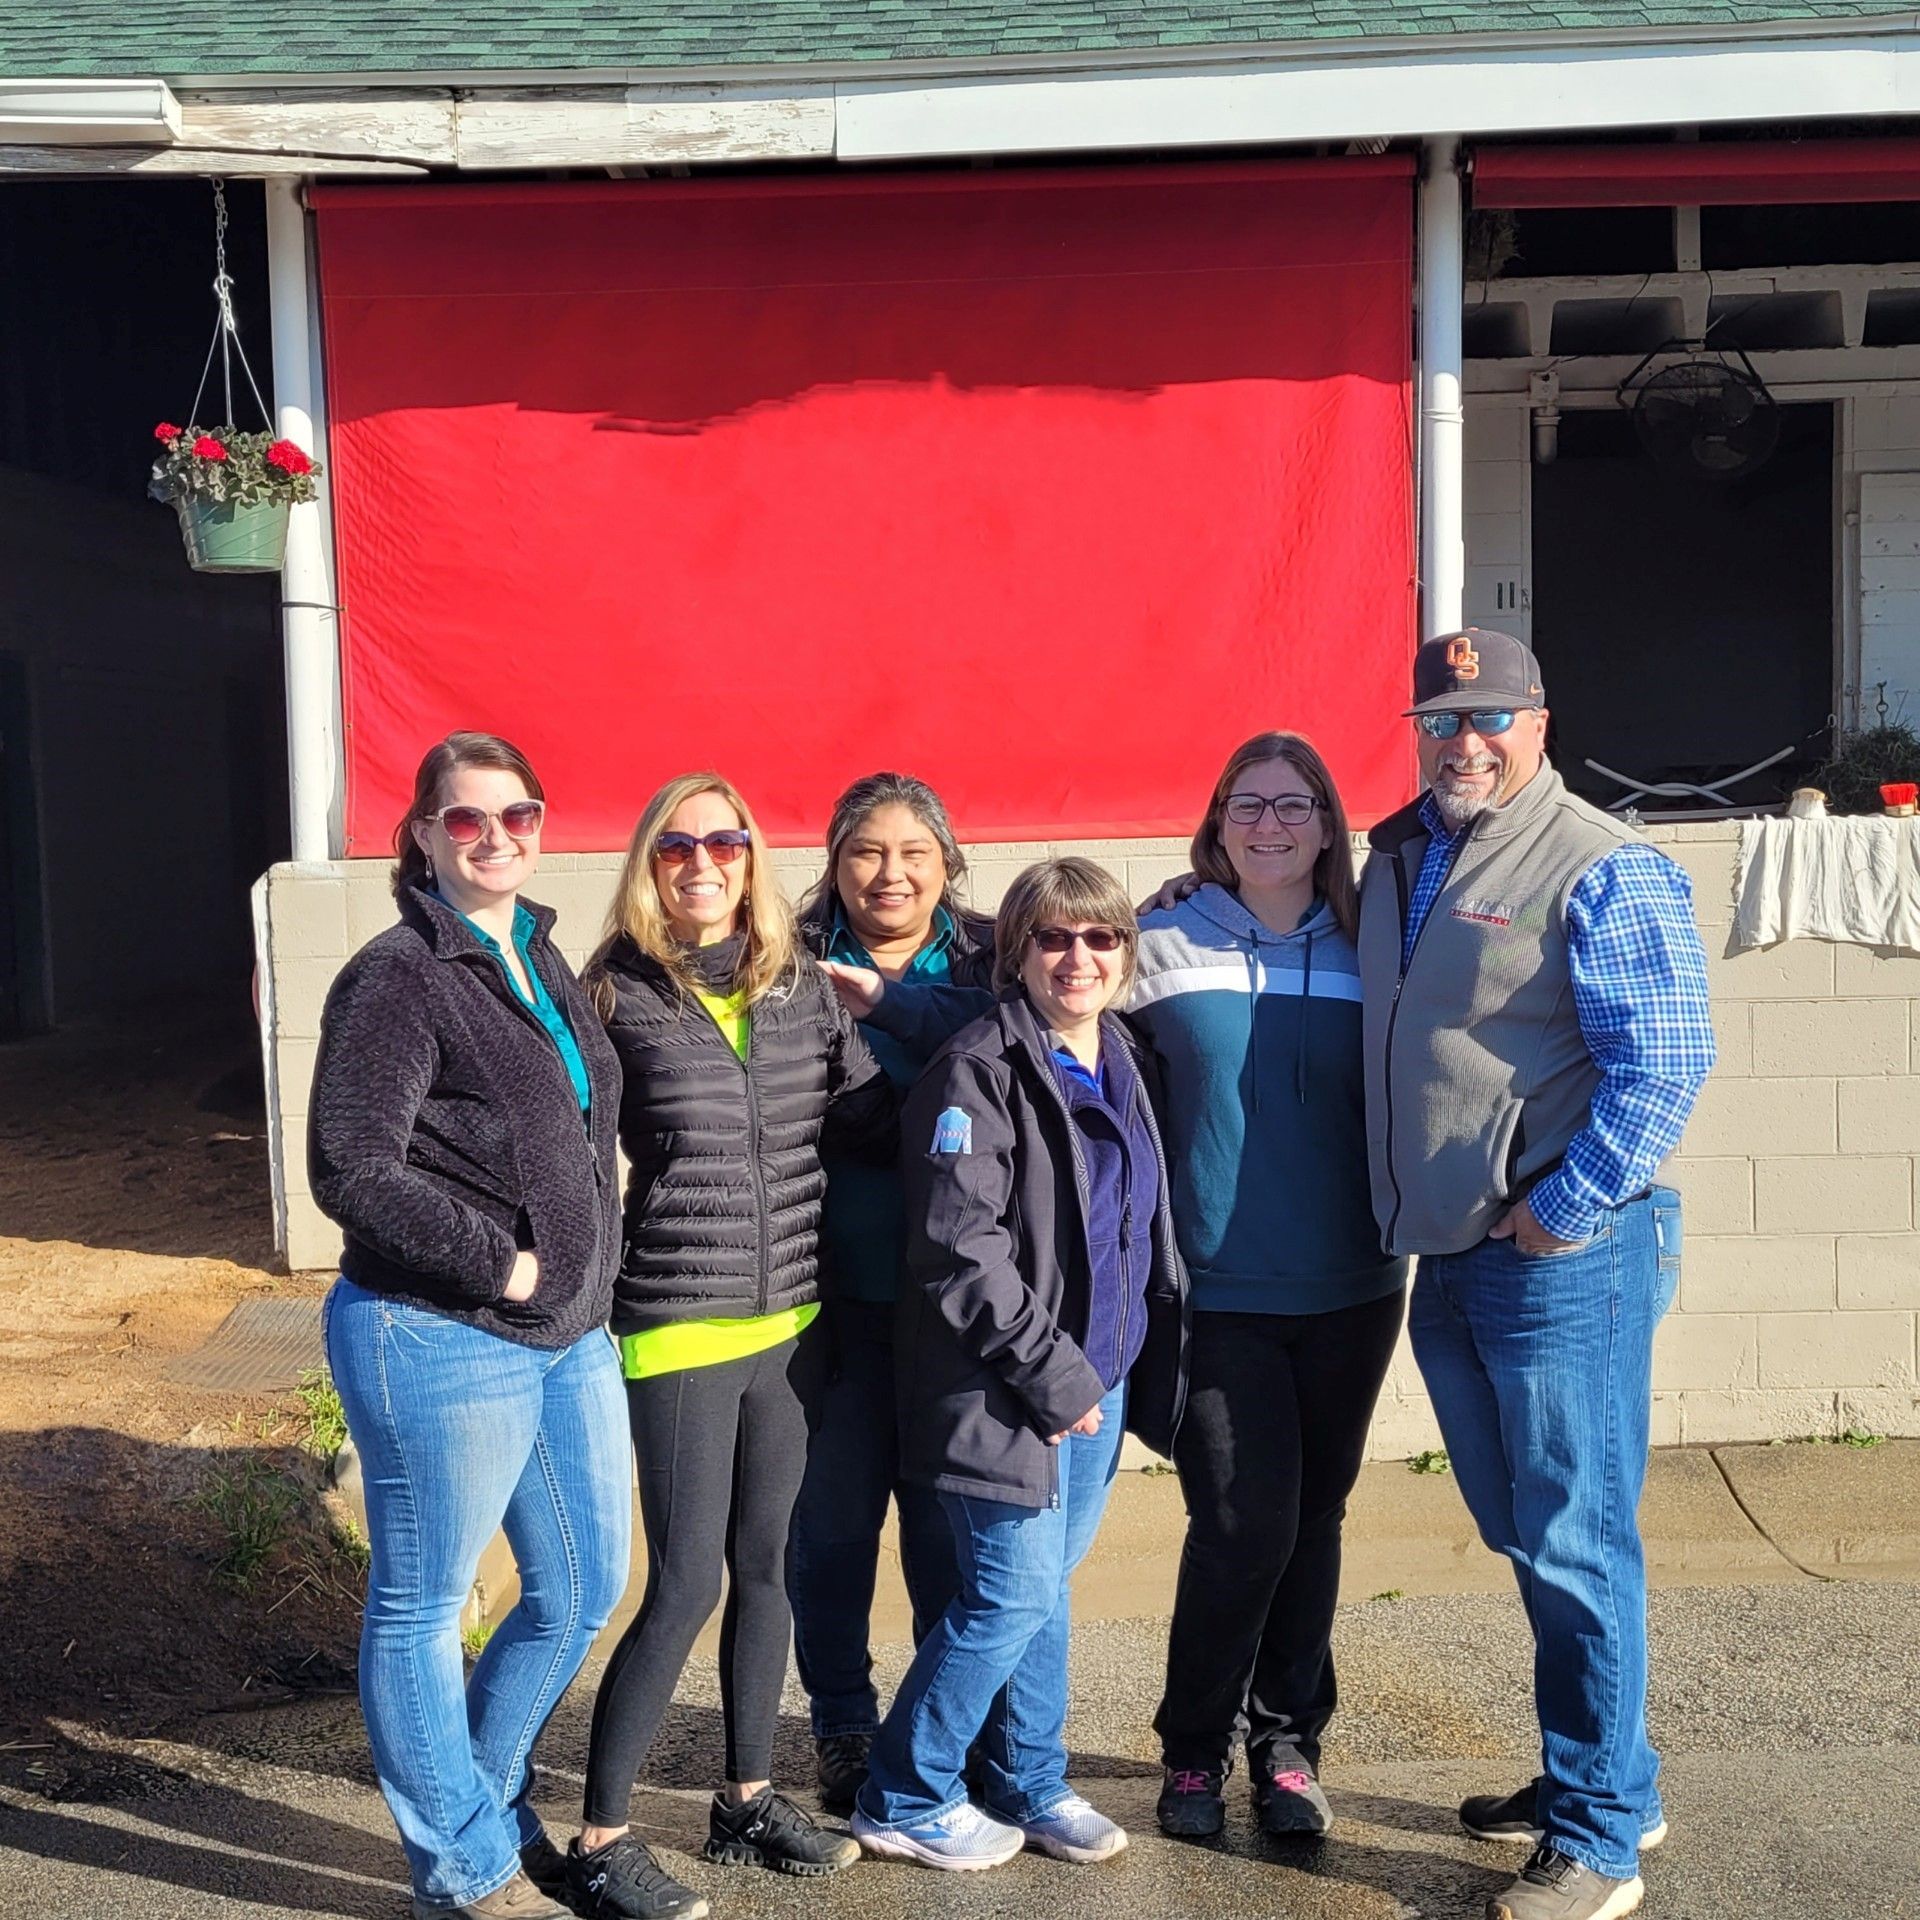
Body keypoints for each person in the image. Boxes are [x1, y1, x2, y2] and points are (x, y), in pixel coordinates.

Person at [1360, 630, 1712, 1920]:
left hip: (1560, 1257)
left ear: (1541, 722)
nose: (1469, 740)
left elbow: (1665, 1062)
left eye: (1493, 716)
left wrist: (1561, 1211)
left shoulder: (1602, 865)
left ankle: (1602, 1842)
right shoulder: (1404, 855)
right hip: (1449, 1257)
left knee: (1576, 1542)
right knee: (1528, 1530)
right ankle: (1608, 1773)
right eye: (1445, 718)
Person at [311, 732, 629, 1920]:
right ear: (423, 834)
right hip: (438, 1331)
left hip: (569, 1336)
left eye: (519, 815)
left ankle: (477, 1810)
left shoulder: (538, 950)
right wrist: (500, 1262)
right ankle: (462, 1868)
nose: (497, 838)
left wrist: (585, 1275)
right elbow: (350, 1164)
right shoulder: (397, 974)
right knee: (425, 1602)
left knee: (582, 1587)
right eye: (466, 819)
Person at [569, 773, 894, 1920]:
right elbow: (564, 1150)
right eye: (676, 845)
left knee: (768, 1570)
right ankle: (603, 1840)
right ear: (649, 865)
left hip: (793, 1321)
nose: (701, 861)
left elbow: (867, 1117)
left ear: (753, 859)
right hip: (678, 1324)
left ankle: (747, 1801)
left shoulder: (798, 985)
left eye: (724, 840)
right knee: (684, 1583)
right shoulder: (610, 993)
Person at [852, 857, 1190, 1873]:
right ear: (1015, 955)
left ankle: (1029, 1780)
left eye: (1099, 938)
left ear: (1125, 953)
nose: (1076, 957)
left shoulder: (1123, 1053)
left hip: (1098, 1375)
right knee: (1006, 1594)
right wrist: (1055, 1377)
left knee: (1043, 1591)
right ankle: (903, 1793)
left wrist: (1112, 1368)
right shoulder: (976, 1071)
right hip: (1010, 1387)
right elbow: (961, 1251)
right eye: (1051, 937)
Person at [1132, 731, 1409, 1842]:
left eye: (1296, 806)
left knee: (1318, 1518)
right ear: (1216, 820)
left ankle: (1288, 1746)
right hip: (1218, 1291)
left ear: (1330, 824)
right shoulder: (1157, 937)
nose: (1271, 825)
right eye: (1248, 805)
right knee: (1245, 1523)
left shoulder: (1375, 941)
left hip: (1354, 1285)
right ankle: (1193, 1751)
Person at [787, 773, 996, 1812]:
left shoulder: (999, 954)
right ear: (835, 861)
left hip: (959, 1312)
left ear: (947, 865)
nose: (890, 873)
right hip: (828, 1303)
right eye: (867, 850)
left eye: (914, 851)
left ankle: (937, 1727)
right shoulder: (783, 964)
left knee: (946, 1532)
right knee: (829, 1527)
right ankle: (841, 1720)